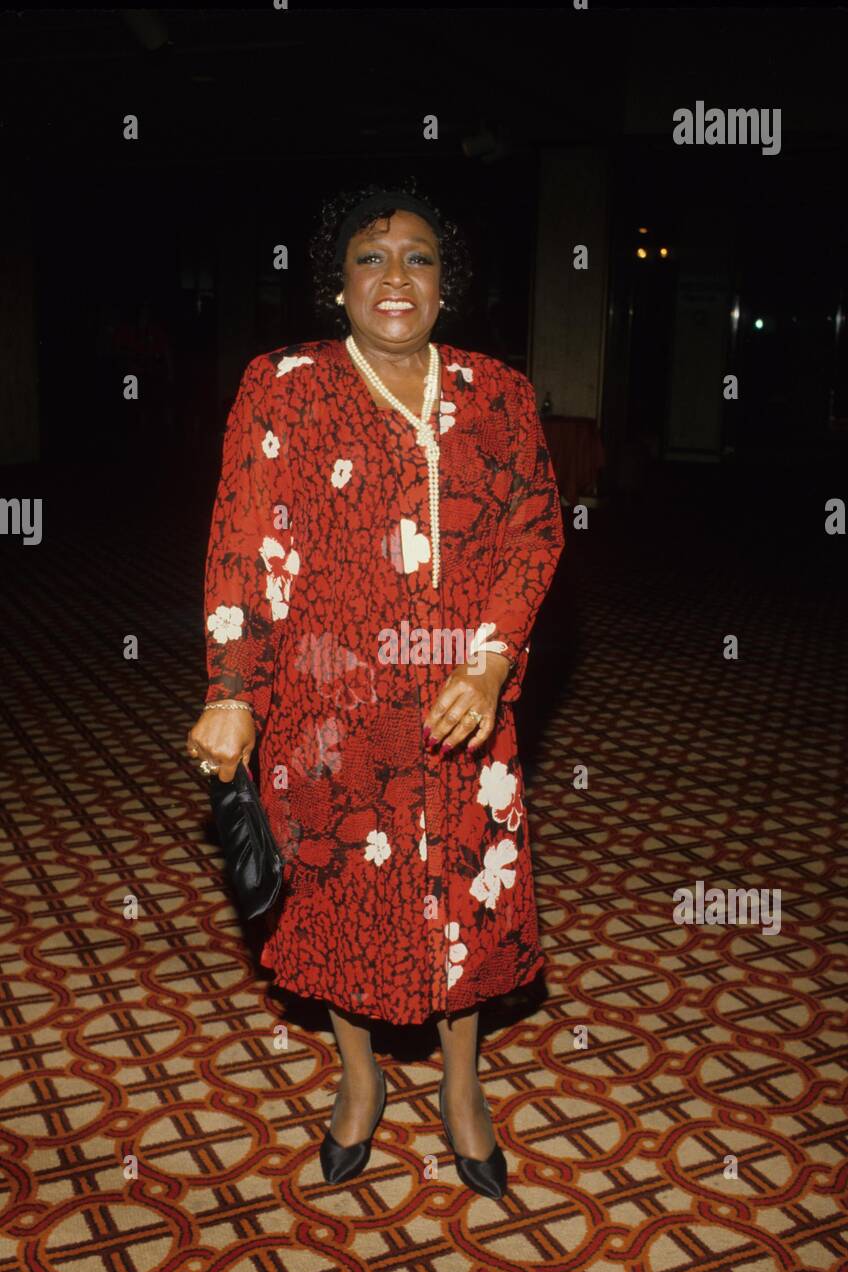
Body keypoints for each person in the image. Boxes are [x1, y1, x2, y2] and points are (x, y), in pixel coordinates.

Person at [187, 180, 565, 1198]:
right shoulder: (284, 385)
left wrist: (487, 663)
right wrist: (234, 689)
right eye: (369, 256)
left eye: (419, 257)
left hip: (458, 709)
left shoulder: (499, 393)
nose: (394, 276)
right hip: (326, 710)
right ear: (335, 281)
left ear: (449, 284)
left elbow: (532, 533)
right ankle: (356, 1079)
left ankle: (460, 1083)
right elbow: (241, 540)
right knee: (337, 901)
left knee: (464, 904)